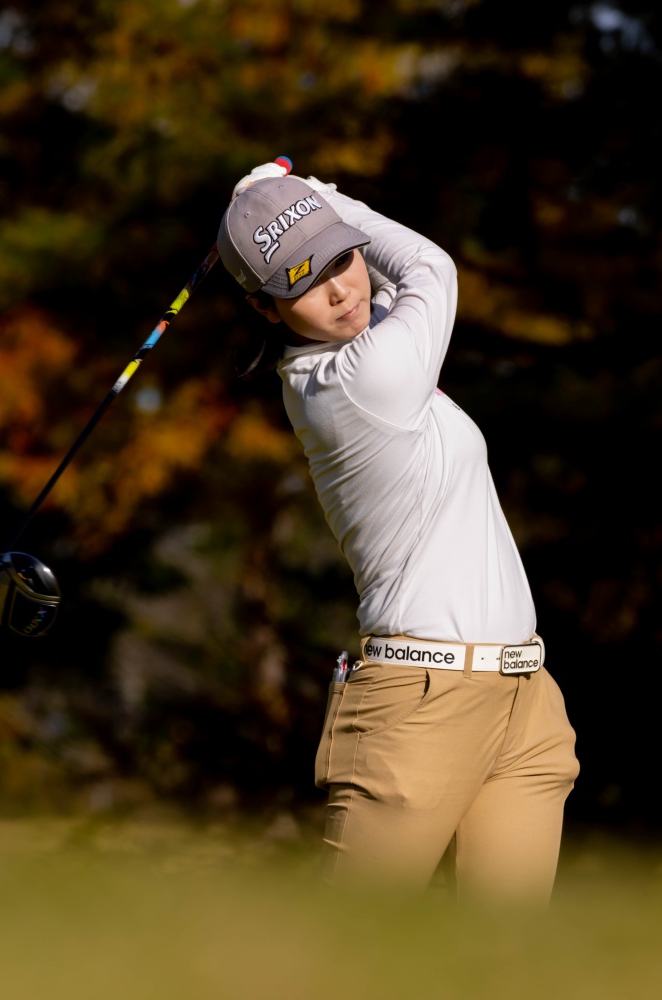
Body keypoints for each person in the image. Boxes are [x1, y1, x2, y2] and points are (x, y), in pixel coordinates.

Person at [216, 161, 579, 904]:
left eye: (342, 258)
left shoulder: (373, 349)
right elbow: (426, 266)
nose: (341, 289)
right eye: (303, 282)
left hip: (525, 697)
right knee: (356, 943)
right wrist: (325, 198)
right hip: (420, 702)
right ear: (264, 308)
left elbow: (381, 289)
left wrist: (300, 211)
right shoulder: (359, 380)